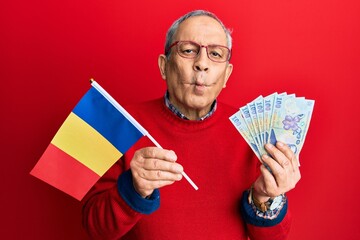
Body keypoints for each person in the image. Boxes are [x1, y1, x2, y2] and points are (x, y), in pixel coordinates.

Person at [82, 10, 300, 240]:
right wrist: (133, 189)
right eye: (188, 50)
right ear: (164, 66)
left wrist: (265, 199)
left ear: (226, 75)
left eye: (215, 54)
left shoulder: (253, 132)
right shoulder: (120, 122)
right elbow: (95, 229)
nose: (202, 64)